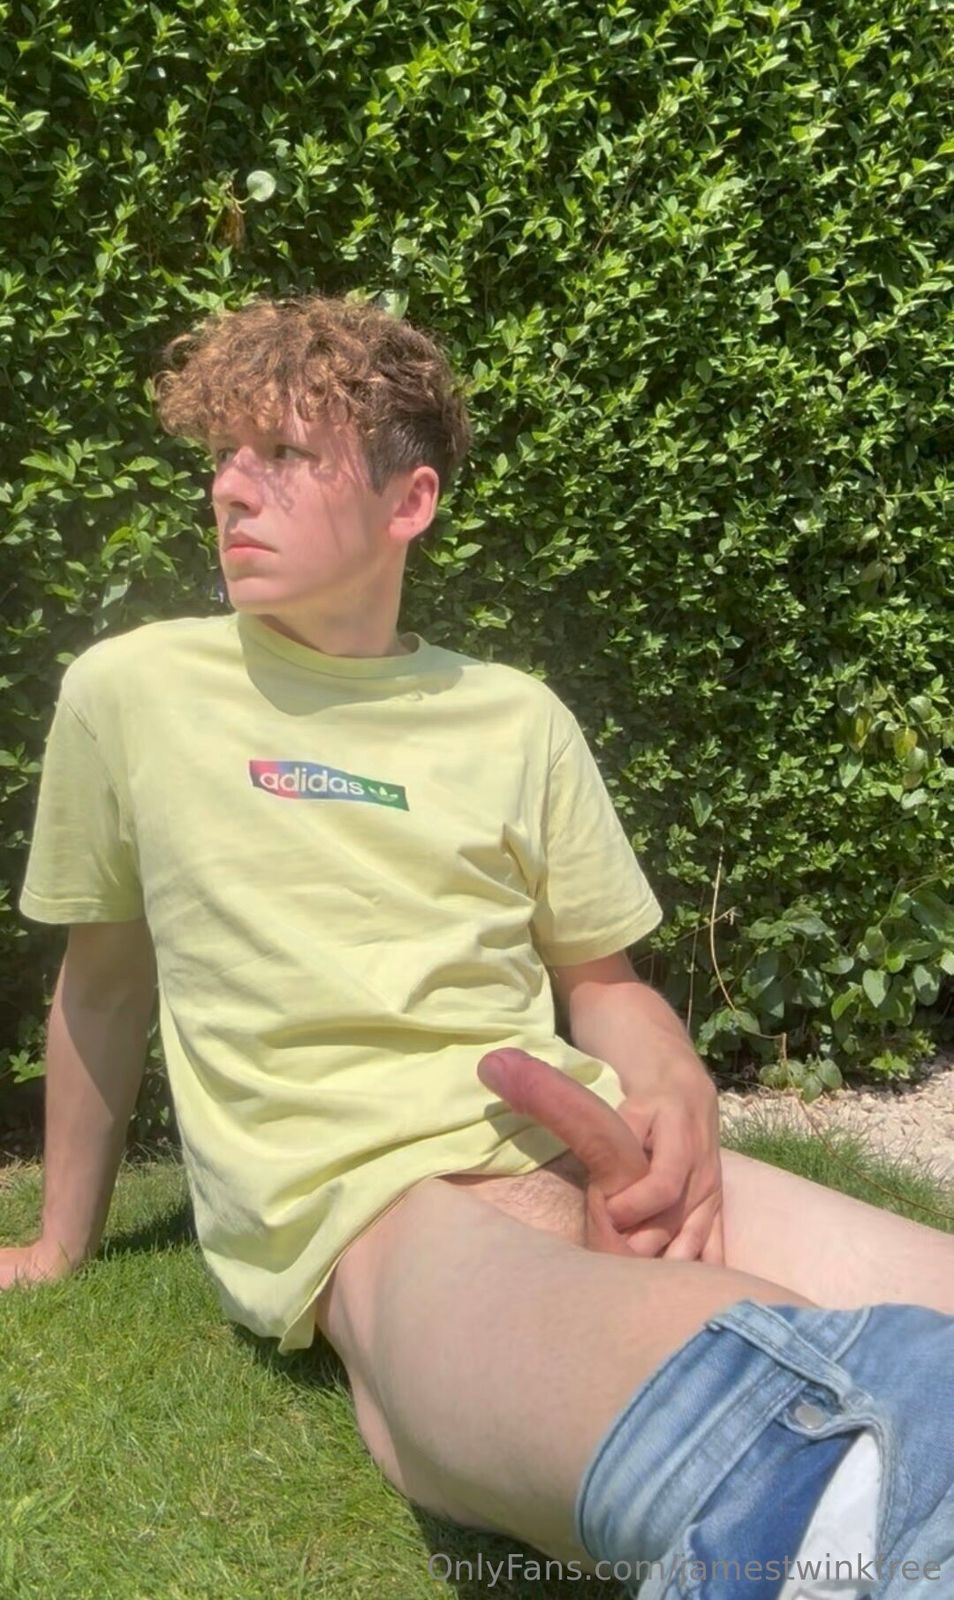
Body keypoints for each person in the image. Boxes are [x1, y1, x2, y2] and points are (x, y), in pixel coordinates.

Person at [5, 292, 953, 1597]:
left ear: (411, 502)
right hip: (371, 1204)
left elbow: (602, 983)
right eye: (223, 454)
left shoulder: (515, 716)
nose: (229, 487)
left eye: (282, 453)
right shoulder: (131, 692)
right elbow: (102, 988)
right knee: (808, 1462)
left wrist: (670, 1081)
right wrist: (60, 1243)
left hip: (578, 1133)